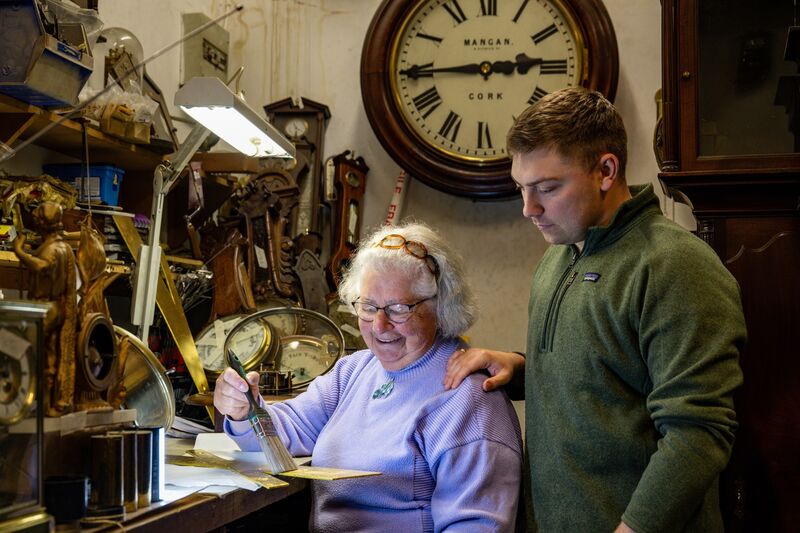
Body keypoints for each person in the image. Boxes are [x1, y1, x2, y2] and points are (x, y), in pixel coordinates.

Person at [444, 87, 746, 533]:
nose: (529, 208)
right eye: (522, 188)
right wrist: (522, 368)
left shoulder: (674, 265)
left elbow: (698, 432)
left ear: (606, 170)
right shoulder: (559, 256)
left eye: (547, 187)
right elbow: (611, 377)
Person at [214, 222, 522, 532]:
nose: (379, 325)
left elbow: (476, 527)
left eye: (399, 308)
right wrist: (245, 410)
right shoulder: (355, 371)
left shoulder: (467, 398)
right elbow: (286, 431)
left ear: (442, 306)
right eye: (368, 306)